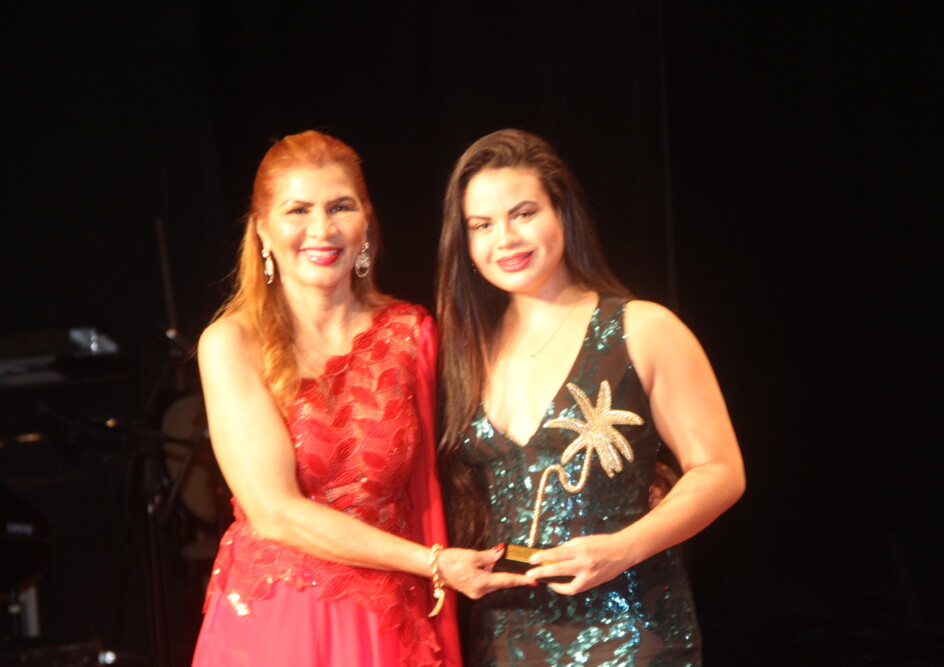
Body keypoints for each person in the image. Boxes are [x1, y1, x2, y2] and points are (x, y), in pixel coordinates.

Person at [191, 130, 523, 666]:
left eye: (340, 207)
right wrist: (432, 563)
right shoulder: (232, 343)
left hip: (387, 622)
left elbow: (469, 458)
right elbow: (275, 512)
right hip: (279, 624)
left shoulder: (412, 333)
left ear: (365, 223)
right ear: (262, 230)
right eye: (298, 210)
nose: (322, 229)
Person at [435, 129, 745, 665]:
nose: (504, 238)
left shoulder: (642, 328)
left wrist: (623, 549)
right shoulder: (463, 353)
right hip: (505, 635)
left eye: (523, 213)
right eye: (482, 224)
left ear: (563, 212)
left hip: (631, 628)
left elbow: (720, 471)